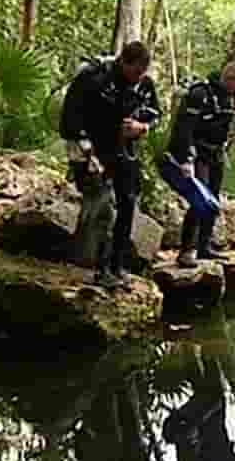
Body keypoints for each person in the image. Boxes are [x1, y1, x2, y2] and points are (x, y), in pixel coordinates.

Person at [60, 41, 160, 290]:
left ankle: (118, 265)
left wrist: (142, 127)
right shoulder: (93, 78)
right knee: (103, 208)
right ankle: (98, 268)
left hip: (124, 152)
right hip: (91, 152)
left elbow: (154, 113)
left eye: (143, 73)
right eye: (136, 71)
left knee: (127, 204)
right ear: (124, 62)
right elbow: (69, 119)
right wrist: (85, 153)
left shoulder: (144, 84)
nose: (139, 77)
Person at [166, 63, 235, 268]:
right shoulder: (200, 93)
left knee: (213, 200)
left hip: (217, 154)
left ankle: (204, 246)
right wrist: (186, 159)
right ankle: (186, 251)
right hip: (198, 153)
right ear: (230, 78)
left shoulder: (234, 98)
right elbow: (183, 129)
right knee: (200, 200)